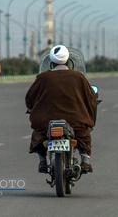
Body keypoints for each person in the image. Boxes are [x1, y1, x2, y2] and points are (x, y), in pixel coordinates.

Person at [25, 45, 97, 173]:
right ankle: (85, 161)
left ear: (51, 63)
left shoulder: (43, 77)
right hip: (75, 121)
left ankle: (42, 160)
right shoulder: (79, 77)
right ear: (69, 61)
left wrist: (31, 108)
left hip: (46, 121)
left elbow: (30, 98)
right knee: (84, 134)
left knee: (38, 134)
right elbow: (90, 97)